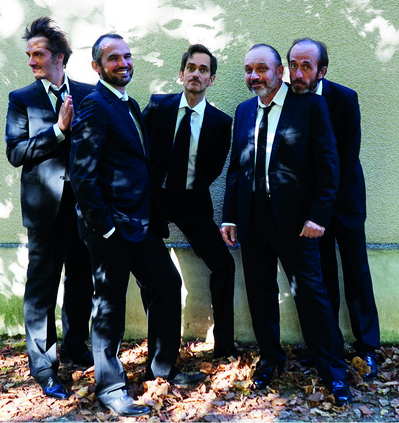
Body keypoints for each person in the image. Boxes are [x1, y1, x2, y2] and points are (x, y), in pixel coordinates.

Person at [69, 34, 207, 417]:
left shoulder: (128, 104)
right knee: (109, 306)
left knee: (166, 284)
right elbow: (82, 175)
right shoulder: (94, 105)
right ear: (96, 66)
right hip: (111, 228)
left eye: (127, 56)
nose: (124, 63)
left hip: (141, 224)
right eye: (114, 58)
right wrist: (105, 227)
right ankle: (111, 388)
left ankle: (162, 369)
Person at [220, 43, 351, 405]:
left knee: (311, 296)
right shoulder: (244, 111)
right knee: (260, 294)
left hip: (297, 224)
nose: (254, 76)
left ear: (280, 72)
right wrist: (229, 215)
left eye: (262, 69)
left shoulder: (310, 106)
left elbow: (329, 166)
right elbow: (237, 168)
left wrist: (319, 216)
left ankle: (333, 372)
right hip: (252, 221)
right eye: (249, 70)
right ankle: (270, 359)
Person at [4, 17, 94, 400]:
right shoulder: (21, 99)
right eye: (29, 54)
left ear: (59, 57)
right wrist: (57, 131)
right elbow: (15, 153)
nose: (31, 61)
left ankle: (75, 345)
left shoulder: (89, 94)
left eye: (38, 54)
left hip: (84, 206)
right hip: (45, 208)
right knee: (42, 287)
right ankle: (44, 367)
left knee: (81, 280)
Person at [288, 38, 380, 379]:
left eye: (306, 66)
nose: (298, 73)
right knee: (322, 278)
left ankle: (367, 348)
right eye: (293, 65)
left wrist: (324, 208)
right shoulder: (288, 100)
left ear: (322, 70)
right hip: (310, 210)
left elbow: (345, 158)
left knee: (356, 274)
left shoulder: (344, 98)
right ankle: (328, 348)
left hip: (345, 203)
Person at [142, 44, 237, 359]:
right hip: (154, 199)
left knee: (223, 265)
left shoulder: (220, 123)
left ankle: (224, 346)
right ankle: (158, 343)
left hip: (191, 201)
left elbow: (214, 168)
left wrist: (190, 186)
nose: (197, 74)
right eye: (191, 68)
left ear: (211, 79)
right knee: (151, 271)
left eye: (204, 70)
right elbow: (137, 148)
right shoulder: (158, 106)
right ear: (181, 74)